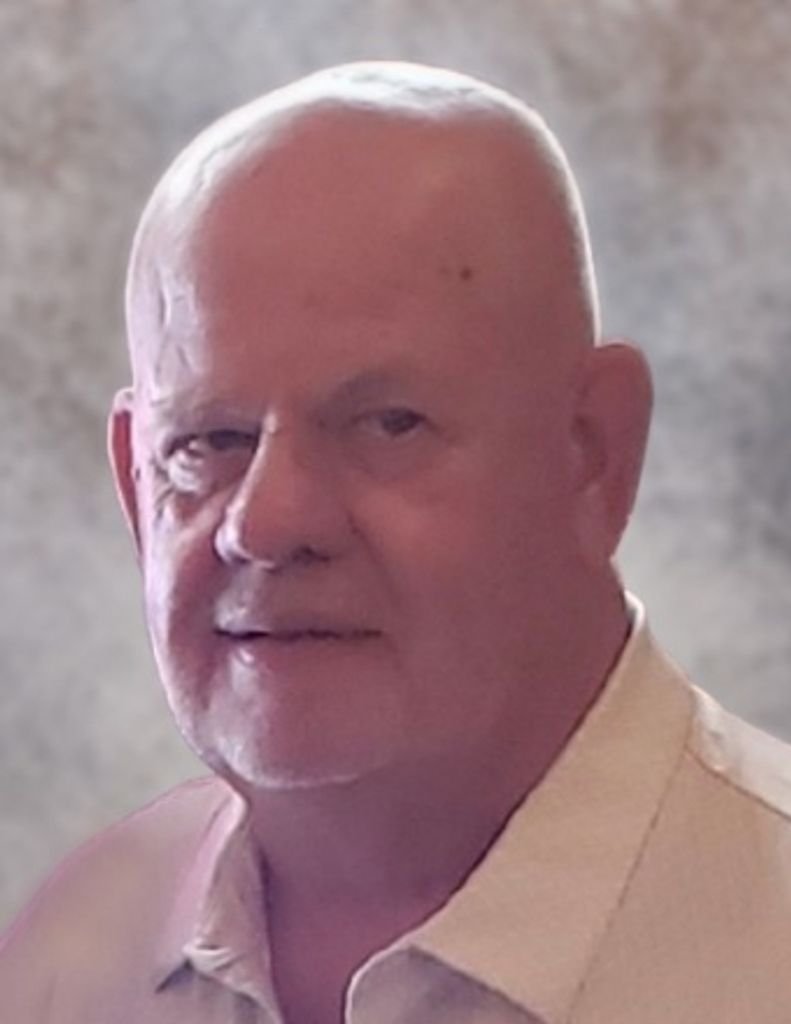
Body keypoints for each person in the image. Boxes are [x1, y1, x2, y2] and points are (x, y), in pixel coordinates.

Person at [2, 61, 790, 1024]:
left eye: (386, 424)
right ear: (136, 487)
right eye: (209, 442)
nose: (269, 524)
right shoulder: (68, 963)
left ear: (590, 454)